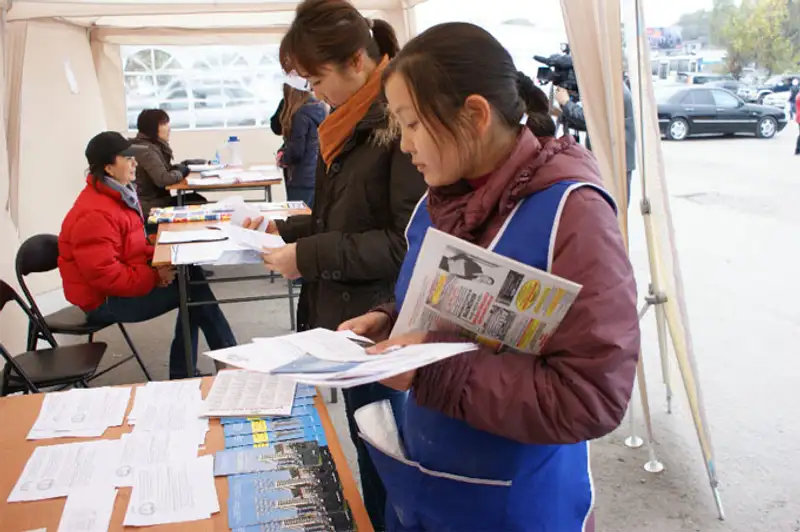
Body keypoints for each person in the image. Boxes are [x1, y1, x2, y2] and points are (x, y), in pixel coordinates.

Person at [339, 22, 640, 531]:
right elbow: (438, 300)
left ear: (475, 115)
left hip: (520, 504)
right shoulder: (434, 202)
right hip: (428, 487)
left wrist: (429, 371)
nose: (406, 146)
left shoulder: (572, 213)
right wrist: (386, 319)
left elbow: (592, 395)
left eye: (412, 125)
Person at [244, 1, 426, 529]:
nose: (314, 92)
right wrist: (286, 228)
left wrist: (305, 255)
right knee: (369, 449)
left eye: (316, 78)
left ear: (356, 62)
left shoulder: (397, 125)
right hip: (350, 317)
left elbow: (403, 243)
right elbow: (340, 216)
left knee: (391, 462)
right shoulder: (346, 123)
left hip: (382, 322)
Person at [58, 131, 237, 379]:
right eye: (127, 158)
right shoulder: (95, 214)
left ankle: (190, 370)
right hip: (105, 302)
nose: (135, 163)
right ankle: (228, 362)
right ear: (109, 168)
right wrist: (155, 276)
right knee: (192, 289)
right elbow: (105, 276)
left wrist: (165, 257)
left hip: (119, 289)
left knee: (189, 274)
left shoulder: (118, 197)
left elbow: (133, 248)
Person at [556, 82, 637, 205]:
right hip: (611, 157)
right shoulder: (614, 87)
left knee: (613, 208)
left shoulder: (616, 91)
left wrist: (567, 103)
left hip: (615, 161)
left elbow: (592, 120)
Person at [131, 109, 206, 222]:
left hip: (152, 200)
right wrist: (181, 172)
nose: (169, 128)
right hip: (149, 205)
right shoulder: (146, 150)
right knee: (196, 201)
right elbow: (163, 179)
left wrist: (179, 168)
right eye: (164, 124)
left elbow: (161, 171)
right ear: (152, 128)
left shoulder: (149, 146)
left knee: (196, 199)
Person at [278, 83, 327, 208]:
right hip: (318, 175)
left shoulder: (299, 115)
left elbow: (297, 150)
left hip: (301, 179)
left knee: (297, 219)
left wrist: (282, 158)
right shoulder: (321, 108)